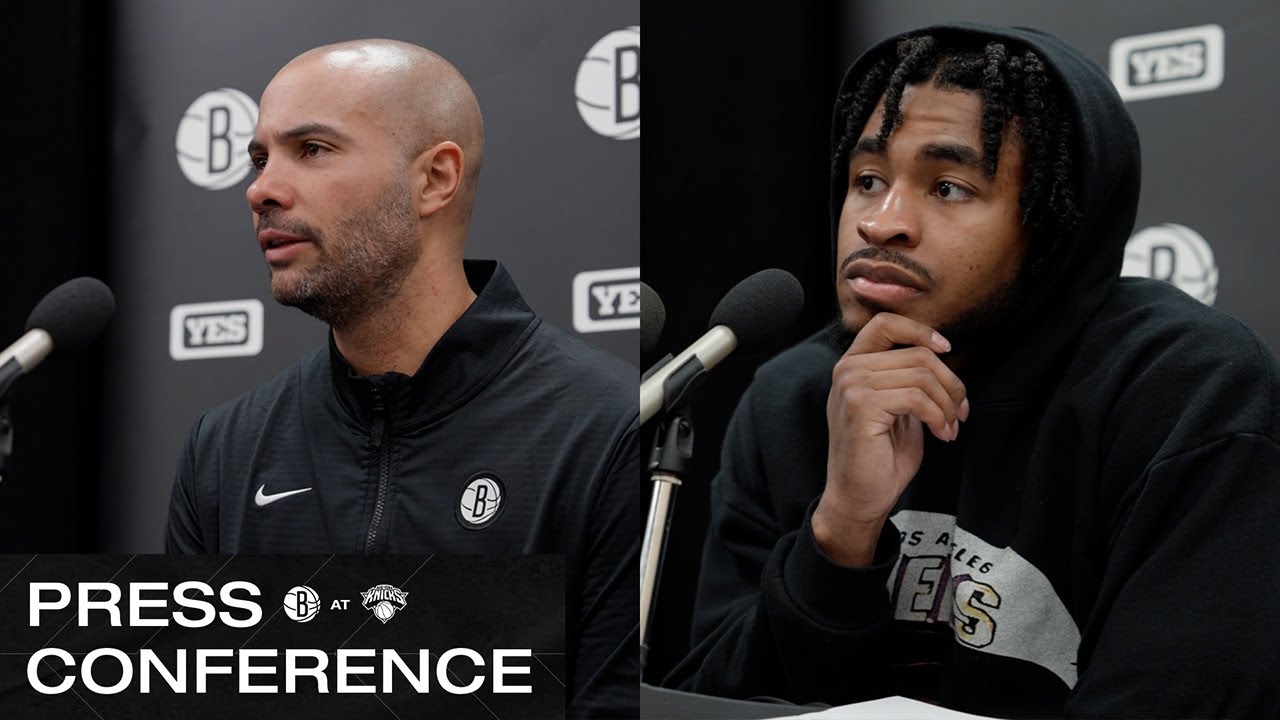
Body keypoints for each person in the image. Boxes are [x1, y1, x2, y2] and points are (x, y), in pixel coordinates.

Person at [667, 22, 1280, 718]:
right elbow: (711, 704)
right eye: (867, 179)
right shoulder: (793, 398)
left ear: (1053, 226)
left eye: (949, 187)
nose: (883, 222)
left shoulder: (1185, 388)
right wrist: (838, 533)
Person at [163, 40, 638, 719]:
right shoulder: (223, 451)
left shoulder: (605, 429)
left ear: (434, 180)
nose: (260, 189)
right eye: (260, 158)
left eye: (313, 150)